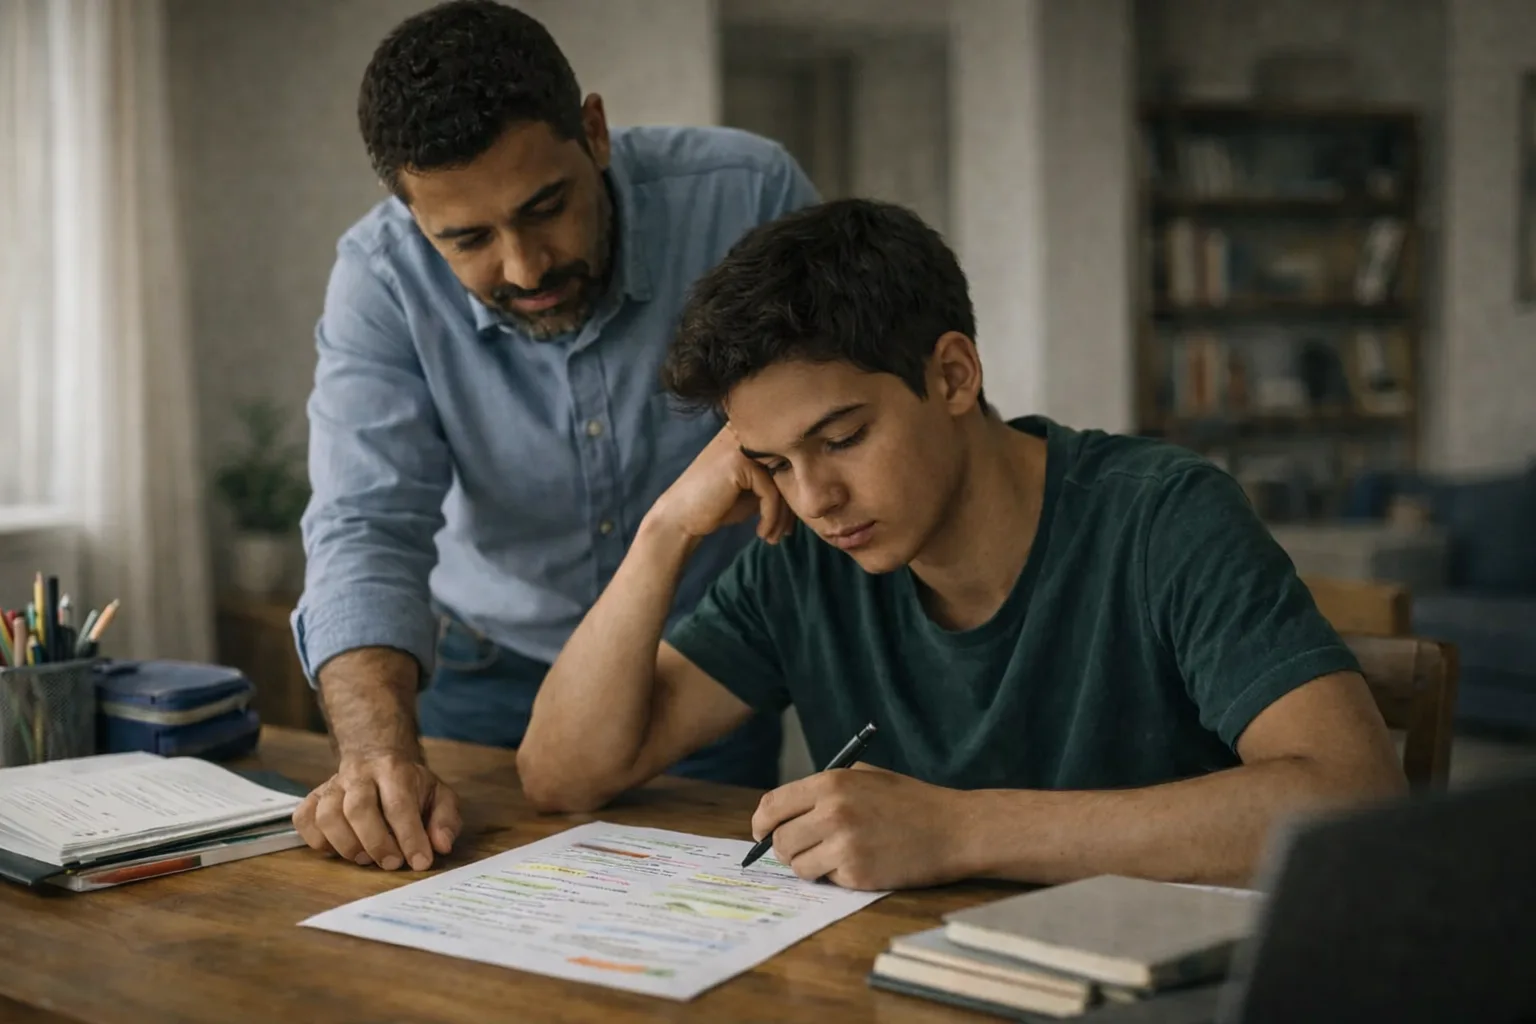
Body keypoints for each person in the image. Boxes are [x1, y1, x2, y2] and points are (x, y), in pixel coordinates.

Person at [516, 198, 1408, 891]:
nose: (815, 499)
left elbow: (1353, 797)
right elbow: (562, 775)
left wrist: (959, 830)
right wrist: (665, 530)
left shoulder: (1163, 516)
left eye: (842, 438)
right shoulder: (805, 556)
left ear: (952, 375)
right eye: (773, 462)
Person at [289, 0, 818, 873]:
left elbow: (829, 414)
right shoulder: (380, 278)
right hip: (483, 673)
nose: (525, 266)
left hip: (691, 667)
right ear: (411, 214)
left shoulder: (747, 194)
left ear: (595, 132)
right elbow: (365, 524)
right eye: (468, 239)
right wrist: (377, 754)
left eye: (546, 207)